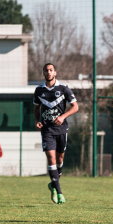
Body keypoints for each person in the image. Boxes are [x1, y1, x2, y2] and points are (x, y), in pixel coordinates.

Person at [33, 63, 79, 204]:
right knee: (51, 159)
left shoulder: (63, 88)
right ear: (43, 73)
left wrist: (62, 117)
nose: (48, 72)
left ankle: (53, 184)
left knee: (59, 160)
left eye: (51, 70)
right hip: (47, 130)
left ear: (55, 72)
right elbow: (36, 108)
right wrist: (37, 121)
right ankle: (59, 193)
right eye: (46, 71)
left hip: (61, 129)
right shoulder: (39, 90)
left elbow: (75, 107)